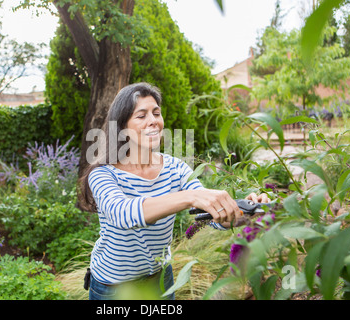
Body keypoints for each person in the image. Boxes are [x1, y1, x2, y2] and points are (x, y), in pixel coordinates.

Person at [77, 82, 269, 300]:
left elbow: (210, 217)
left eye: (156, 113)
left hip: (160, 279)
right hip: (113, 287)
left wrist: (244, 210)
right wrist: (189, 197)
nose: (153, 121)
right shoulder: (104, 174)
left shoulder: (175, 168)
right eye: (141, 116)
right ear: (122, 127)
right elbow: (123, 214)